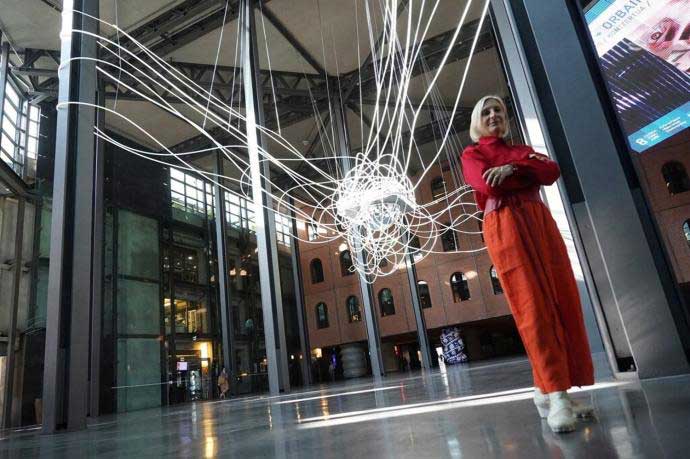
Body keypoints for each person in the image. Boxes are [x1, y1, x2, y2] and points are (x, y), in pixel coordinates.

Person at [460, 95, 594, 434]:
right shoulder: (473, 153)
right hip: (505, 223)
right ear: (478, 120)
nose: (494, 115)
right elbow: (484, 183)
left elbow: (551, 171)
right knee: (532, 306)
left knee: (561, 299)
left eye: (499, 111)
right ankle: (556, 395)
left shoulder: (521, 152)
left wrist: (515, 169)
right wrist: (524, 174)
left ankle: (549, 389)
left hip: (538, 219)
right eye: (486, 112)